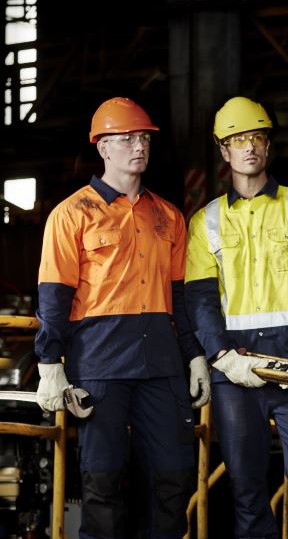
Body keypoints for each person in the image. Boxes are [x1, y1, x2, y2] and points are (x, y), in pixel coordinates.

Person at [34, 96, 208, 538]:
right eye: (127, 138)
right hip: (100, 363)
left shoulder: (168, 216)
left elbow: (179, 296)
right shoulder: (72, 215)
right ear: (102, 147)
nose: (139, 146)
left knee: (173, 477)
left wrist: (194, 355)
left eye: (144, 138)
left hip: (161, 363)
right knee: (103, 481)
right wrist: (49, 364)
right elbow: (54, 296)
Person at [184, 96, 288, 539]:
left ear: (268, 145)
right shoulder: (206, 221)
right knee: (246, 490)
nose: (249, 146)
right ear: (224, 150)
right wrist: (219, 355)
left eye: (256, 137)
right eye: (238, 140)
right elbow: (200, 298)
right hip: (236, 365)